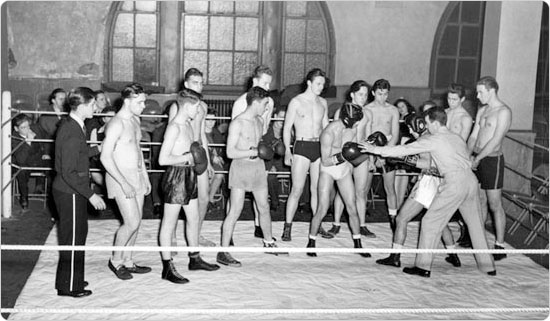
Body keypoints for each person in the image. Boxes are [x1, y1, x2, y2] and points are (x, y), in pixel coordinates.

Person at [360, 107, 496, 278]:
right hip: (471, 180)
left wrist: (374, 150)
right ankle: (488, 266)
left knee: (430, 222)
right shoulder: (457, 138)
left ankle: (423, 266)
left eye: (428, 123)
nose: (426, 127)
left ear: (435, 123)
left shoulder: (435, 139)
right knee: (476, 225)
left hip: (454, 182)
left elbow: (403, 150)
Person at [375, 111, 461, 269]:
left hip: (428, 182)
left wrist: (403, 158)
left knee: (401, 219)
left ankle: (395, 257)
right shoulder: (437, 137)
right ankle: (454, 255)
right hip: (441, 181)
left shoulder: (424, 140)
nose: (410, 130)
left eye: (410, 127)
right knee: (439, 221)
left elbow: (426, 163)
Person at [217, 86, 284, 267]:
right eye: (264, 104)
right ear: (255, 103)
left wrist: (271, 146)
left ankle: (269, 242)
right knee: (235, 210)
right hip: (241, 167)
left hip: (257, 168)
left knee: (264, 206)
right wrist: (253, 151)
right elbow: (230, 152)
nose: (266, 108)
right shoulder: (237, 123)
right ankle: (223, 252)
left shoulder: (259, 121)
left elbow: (259, 143)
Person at [158, 89, 220, 284]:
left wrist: (199, 161)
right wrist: (187, 157)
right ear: (186, 106)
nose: (198, 110)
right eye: (196, 107)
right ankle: (167, 267)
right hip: (176, 176)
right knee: (169, 222)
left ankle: (194, 258)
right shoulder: (174, 127)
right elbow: (162, 159)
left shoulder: (188, 125)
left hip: (189, 173)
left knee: (193, 218)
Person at [52, 87, 106, 297]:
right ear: (82, 106)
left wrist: (98, 149)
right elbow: (69, 172)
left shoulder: (74, 124)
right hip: (70, 191)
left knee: (75, 235)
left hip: (70, 189)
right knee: (74, 238)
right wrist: (91, 195)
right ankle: (69, 287)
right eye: (93, 104)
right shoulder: (72, 131)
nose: (95, 107)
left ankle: (71, 278)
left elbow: (78, 155)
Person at [100, 83, 152, 280]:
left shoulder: (134, 121)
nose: (144, 105)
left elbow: (138, 151)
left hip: (136, 176)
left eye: (144, 101)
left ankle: (128, 260)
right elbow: (105, 158)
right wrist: (123, 183)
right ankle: (115, 261)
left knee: (137, 222)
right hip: (119, 177)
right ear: (128, 101)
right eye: (140, 102)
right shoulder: (116, 124)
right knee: (131, 222)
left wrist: (145, 177)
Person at [306, 103, 371, 258]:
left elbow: (355, 151)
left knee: (352, 207)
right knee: (322, 208)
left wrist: (369, 147)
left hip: (343, 171)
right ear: (348, 119)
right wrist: (343, 156)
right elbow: (326, 161)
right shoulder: (328, 133)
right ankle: (311, 242)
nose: (357, 124)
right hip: (328, 170)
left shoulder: (352, 129)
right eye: (355, 120)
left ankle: (358, 244)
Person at [281, 68, 330, 241]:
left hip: (318, 146)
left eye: (323, 84)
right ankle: (287, 226)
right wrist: (288, 150)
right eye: (318, 83)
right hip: (301, 145)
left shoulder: (323, 103)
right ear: (309, 83)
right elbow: (286, 128)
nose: (321, 87)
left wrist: (329, 149)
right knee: (297, 189)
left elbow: (326, 129)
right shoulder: (296, 102)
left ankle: (317, 225)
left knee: (317, 189)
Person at [169, 68, 216, 247]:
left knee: (203, 198)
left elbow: (201, 134)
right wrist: (176, 158)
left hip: (199, 154)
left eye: (201, 82)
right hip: (182, 156)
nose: (199, 86)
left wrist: (208, 160)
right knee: (176, 200)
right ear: (186, 84)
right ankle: (171, 238)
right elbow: (172, 134)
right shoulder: (177, 106)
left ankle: (196, 235)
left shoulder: (202, 106)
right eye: (195, 83)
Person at [467, 76, 512, 261]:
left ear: (491, 90)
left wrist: (477, 158)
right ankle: (480, 240)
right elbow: (474, 135)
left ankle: (499, 245)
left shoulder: (503, 112)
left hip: (492, 160)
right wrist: (466, 156)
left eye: (480, 92)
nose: (477, 96)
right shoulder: (482, 110)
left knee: (494, 204)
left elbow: (495, 141)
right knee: (480, 201)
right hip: (477, 158)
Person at [231, 65, 275, 238]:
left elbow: (264, 127)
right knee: (236, 198)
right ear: (254, 81)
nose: (268, 87)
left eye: (269, 84)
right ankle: (230, 235)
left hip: (259, 149)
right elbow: (234, 135)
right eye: (265, 83)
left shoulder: (269, 102)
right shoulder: (241, 103)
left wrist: (263, 147)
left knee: (261, 195)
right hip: (241, 153)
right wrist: (248, 150)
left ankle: (260, 227)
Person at [326, 80, 373, 236]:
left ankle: (362, 224)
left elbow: (369, 135)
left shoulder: (368, 113)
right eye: (360, 94)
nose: (363, 98)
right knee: (342, 190)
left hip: (362, 154)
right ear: (352, 94)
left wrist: (372, 157)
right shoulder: (342, 111)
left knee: (361, 191)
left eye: (365, 95)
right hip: (346, 153)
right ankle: (336, 223)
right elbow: (335, 134)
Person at [363, 79, 400, 234]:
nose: (383, 97)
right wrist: (372, 157)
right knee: (364, 188)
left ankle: (393, 219)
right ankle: (362, 222)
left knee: (390, 187)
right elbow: (364, 135)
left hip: (387, 151)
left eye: (385, 94)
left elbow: (395, 134)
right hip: (369, 149)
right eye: (379, 94)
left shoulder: (392, 110)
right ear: (373, 93)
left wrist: (384, 154)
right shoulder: (366, 109)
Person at [11, 114, 51, 210]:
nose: (27, 129)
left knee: (53, 166)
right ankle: (24, 198)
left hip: (39, 158)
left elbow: (47, 138)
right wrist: (28, 141)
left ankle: (51, 197)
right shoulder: (14, 138)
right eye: (23, 127)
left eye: (28, 126)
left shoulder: (36, 129)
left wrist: (46, 153)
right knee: (21, 169)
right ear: (16, 129)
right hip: (24, 162)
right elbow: (21, 158)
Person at [262, 108, 290, 212]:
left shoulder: (289, 132)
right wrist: (270, 166)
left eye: (285, 118)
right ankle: (274, 201)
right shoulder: (266, 131)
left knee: (304, 172)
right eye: (280, 117)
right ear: (274, 116)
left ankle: (303, 203)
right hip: (271, 161)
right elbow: (264, 151)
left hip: (285, 162)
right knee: (270, 176)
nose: (282, 120)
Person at [205, 107, 229, 206]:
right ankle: (204, 198)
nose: (211, 122)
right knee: (208, 176)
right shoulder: (198, 132)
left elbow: (222, 148)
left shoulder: (216, 132)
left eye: (213, 120)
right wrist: (212, 157)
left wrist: (220, 156)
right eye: (208, 120)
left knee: (219, 175)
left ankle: (210, 198)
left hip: (215, 161)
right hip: (203, 160)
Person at [89, 106, 116, 190]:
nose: (112, 119)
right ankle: (108, 188)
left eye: (114, 117)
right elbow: (93, 147)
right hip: (99, 159)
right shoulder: (96, 131)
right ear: (103, 119)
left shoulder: (119, 131)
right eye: (109, 117)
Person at [38, 88, 66, 160]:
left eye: (65, 99)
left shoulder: (68, 113)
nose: (64, 101)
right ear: (53, 101)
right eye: (60, 99)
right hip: (50, 151)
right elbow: (52, 133)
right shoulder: (45, 116)